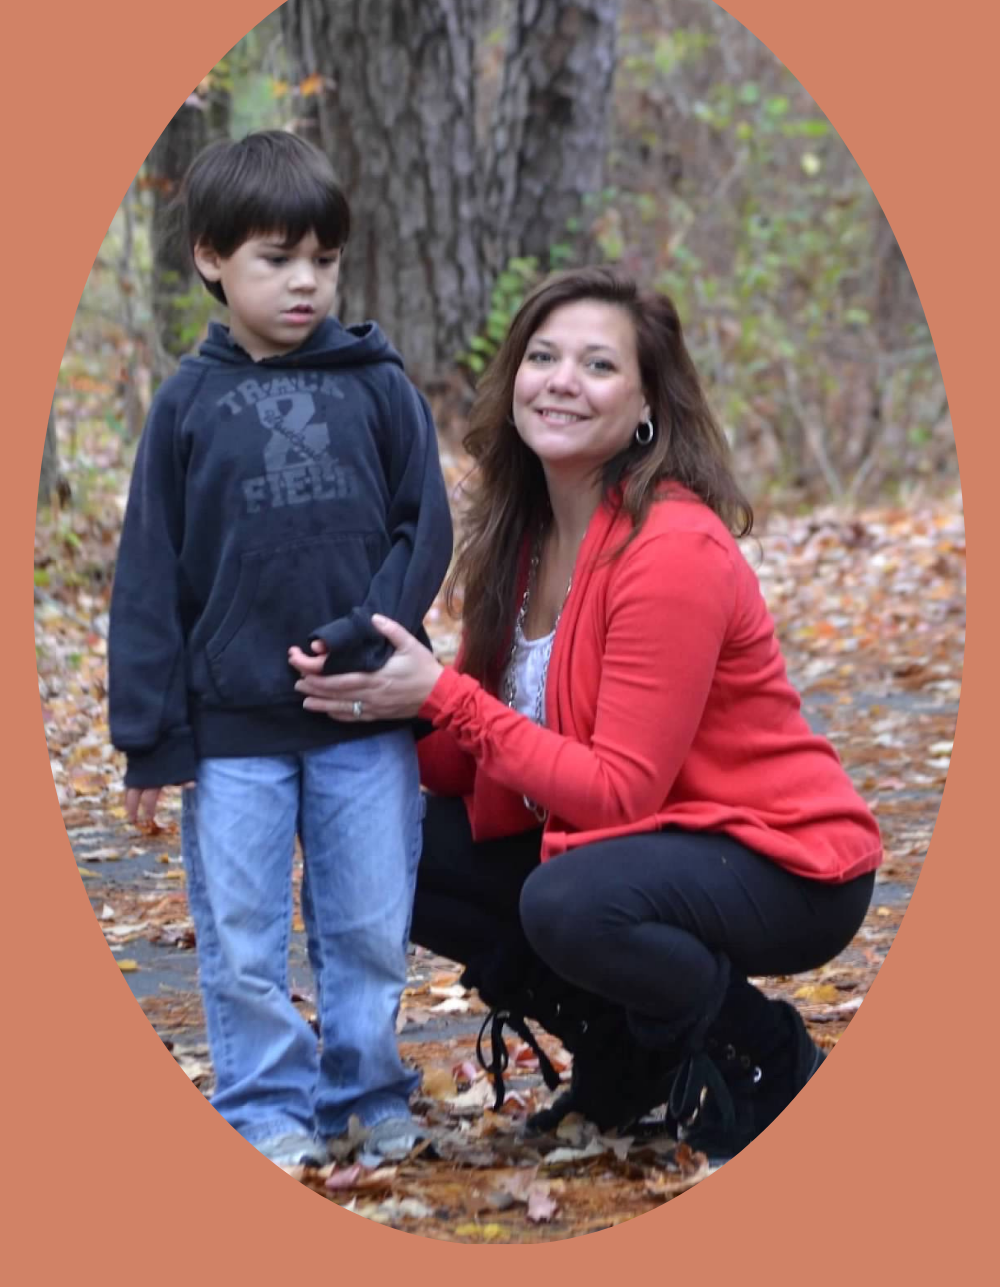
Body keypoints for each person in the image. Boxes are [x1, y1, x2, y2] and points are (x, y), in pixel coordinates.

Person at [290, 266, 882, 1161]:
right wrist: (360, 715)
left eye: (598, 365)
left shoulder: (672, 546)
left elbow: (617, 792)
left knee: (567, 901)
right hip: (642, 845)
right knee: (384, 852)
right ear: (515, 379)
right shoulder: (524, 535)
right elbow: (473, 760)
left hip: (780, 858)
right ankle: (630, 1050)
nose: (562, 380)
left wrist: (440, 695)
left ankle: (763, 1050)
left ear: (646, 404)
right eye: (543, 356)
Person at [108, 130, 453, 1168]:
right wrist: (148, 738)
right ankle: (265, 1104)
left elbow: (422, 525)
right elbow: (149, 576)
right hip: (232, 731)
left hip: (362, 714)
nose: (305, 282)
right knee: (245, 931)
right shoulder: (185, 407)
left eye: (324, 258)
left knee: (365, 918)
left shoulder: (378, 383)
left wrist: (372, 635)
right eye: (275, 257)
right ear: (212, 258)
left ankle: (366, 1087)